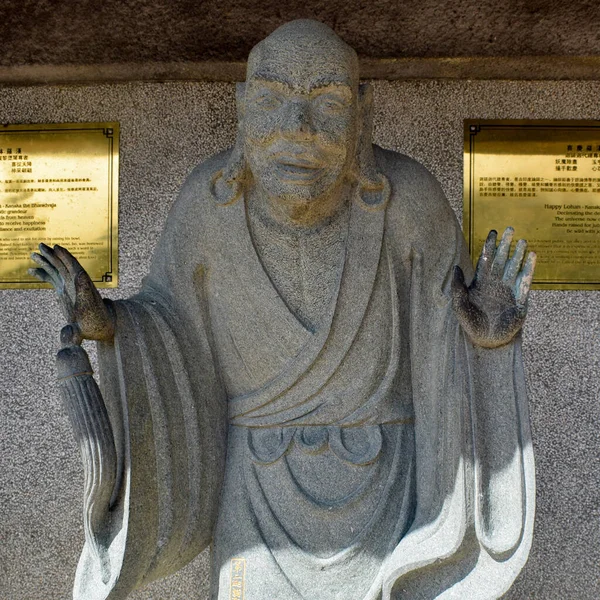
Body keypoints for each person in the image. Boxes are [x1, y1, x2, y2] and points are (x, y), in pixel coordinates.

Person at [31, 19, 536, 600]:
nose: (297, 130)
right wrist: (110, 325)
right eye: (272, 101)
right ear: (243, 109)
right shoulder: (207, 205)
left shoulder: (408, 201)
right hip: (255, 488)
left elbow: (441, 353)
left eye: (326, 105)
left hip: (384, 479)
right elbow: (170, 322)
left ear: (362, 116)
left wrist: (486, 345)